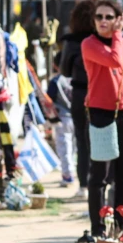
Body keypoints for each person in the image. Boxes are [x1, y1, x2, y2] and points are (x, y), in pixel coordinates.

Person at [81, 0, 123, 237]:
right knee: (100, 175)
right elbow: (115, 61)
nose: (103, 21)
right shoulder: (89, 44)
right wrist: (118, 34)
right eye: (99, 17)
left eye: (109, 17)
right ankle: (98, 230)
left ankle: (122, 229)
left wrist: (119, 37)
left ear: (118, 19)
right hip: (100, 113)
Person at [59, 0, 95, 200]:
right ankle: (100, 182)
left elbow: (64, 70)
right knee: (99, 140)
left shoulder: (72, 42)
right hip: (99, 94)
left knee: (81, 141)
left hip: (79, 94)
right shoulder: (101, 40)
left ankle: (84, 186)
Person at [46, 58, 76, 186]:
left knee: (64, 148)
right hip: (77, 117)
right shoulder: (76, 78)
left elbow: (49, 100)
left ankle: (67, 175)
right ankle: (72, 172)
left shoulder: (56, 81)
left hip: (62, 117)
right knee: (73, 148)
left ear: (55, 65)